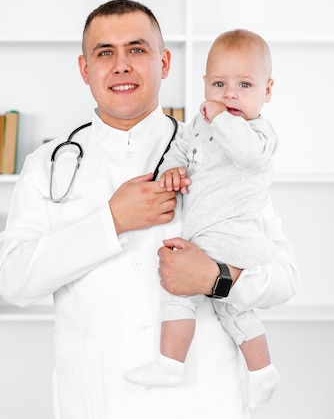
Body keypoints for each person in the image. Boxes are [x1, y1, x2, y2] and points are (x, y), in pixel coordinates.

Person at [0, 0, 299, 419]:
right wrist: (112, 221)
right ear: (85, 69)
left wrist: (217, 279)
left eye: (137, 50)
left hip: (205, 402)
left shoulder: (223, 146)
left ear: (165, 62)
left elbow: (284, 277)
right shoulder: (48, 165)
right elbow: (13, 282)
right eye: (105, 53)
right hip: (97, 403)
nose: (121, 65)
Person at [125, 29, 281, 412]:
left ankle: (170, 363)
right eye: (219, 84)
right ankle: (262, 374)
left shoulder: (260, 133)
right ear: (205, 84)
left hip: (233, 235)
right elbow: (181, 146)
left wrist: (220, 119)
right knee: (233, 310)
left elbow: (246, 154)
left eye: (244, 84)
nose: (230, 94)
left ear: (267, 91)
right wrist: (174, 168)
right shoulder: (200, 121)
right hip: (208, 233)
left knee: (179, 289)